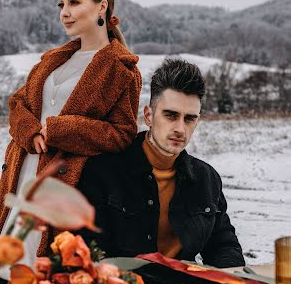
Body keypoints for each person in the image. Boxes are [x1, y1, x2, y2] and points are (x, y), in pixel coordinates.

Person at [0, 0, 142, 284]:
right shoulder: (55, 59)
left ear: (102, 7)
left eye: (74, 3)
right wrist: (31, 131)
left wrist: (61, 130)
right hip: (21, 174)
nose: (65, 13)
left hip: (62, 184)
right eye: (61, 5)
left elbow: (122, 133)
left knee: (40, 279)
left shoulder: (121, 68)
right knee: (3, 272)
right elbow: (18, 103)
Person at [77, 58, 245, 268]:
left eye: (189, 118)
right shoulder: (103, 172)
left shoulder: (206, 179)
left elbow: (223, 246)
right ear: (148, 116)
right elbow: (89, 252)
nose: (180, 129)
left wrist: (232, 282)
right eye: (171, 115)